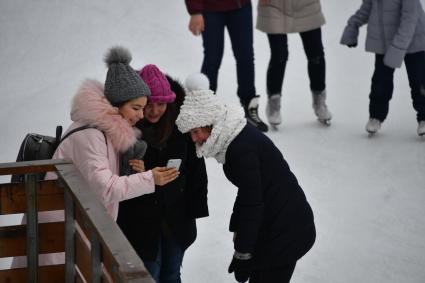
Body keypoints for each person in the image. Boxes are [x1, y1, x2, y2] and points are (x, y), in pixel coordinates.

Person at [11, 46, 179, 268]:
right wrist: (150, 179)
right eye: (136, 108)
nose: (141, 115)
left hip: (74, 230)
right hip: (57, 235)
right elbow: (106, 188)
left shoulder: (105, 134)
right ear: (116, 104)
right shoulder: (91, 136)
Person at [175, 73, 316, 283]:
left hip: (287, 228)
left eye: (196, 132)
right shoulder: (234, 137)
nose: (194, 139)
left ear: (211, 124)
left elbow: (253, 202)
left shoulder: (240, 149)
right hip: (273, 223)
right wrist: (239, 230)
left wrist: (243, 253)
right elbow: (249, 191)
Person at [117, 65, 209, 283]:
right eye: (149, 104)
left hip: (176, 217)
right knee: (151, 272)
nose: (155, 110)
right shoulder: (126, 130)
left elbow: (197, 171)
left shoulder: (182, 127)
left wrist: (195, 211)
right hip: (141, 220)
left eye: (161, 104)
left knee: (172, 272)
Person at [340, 0, 425, 136]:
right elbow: (367, 8)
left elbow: (410, 18)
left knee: (419, 80)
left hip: (414, 37)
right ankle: (376, 116)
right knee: (380, 81)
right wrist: (353, 25)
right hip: (385, 40)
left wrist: (397, 48)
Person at [185, 0, 269, 132]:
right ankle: (204, 110)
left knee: (246, 57)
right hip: (210, 8)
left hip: (241, 6)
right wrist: (195, 11)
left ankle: (249, 105)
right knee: (212, 58)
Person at [256, 0, 332, 126]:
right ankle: (274, 103)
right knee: (279, 55)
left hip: (306, 5)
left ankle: (320, 101)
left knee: (316, 54)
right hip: (274, 6)